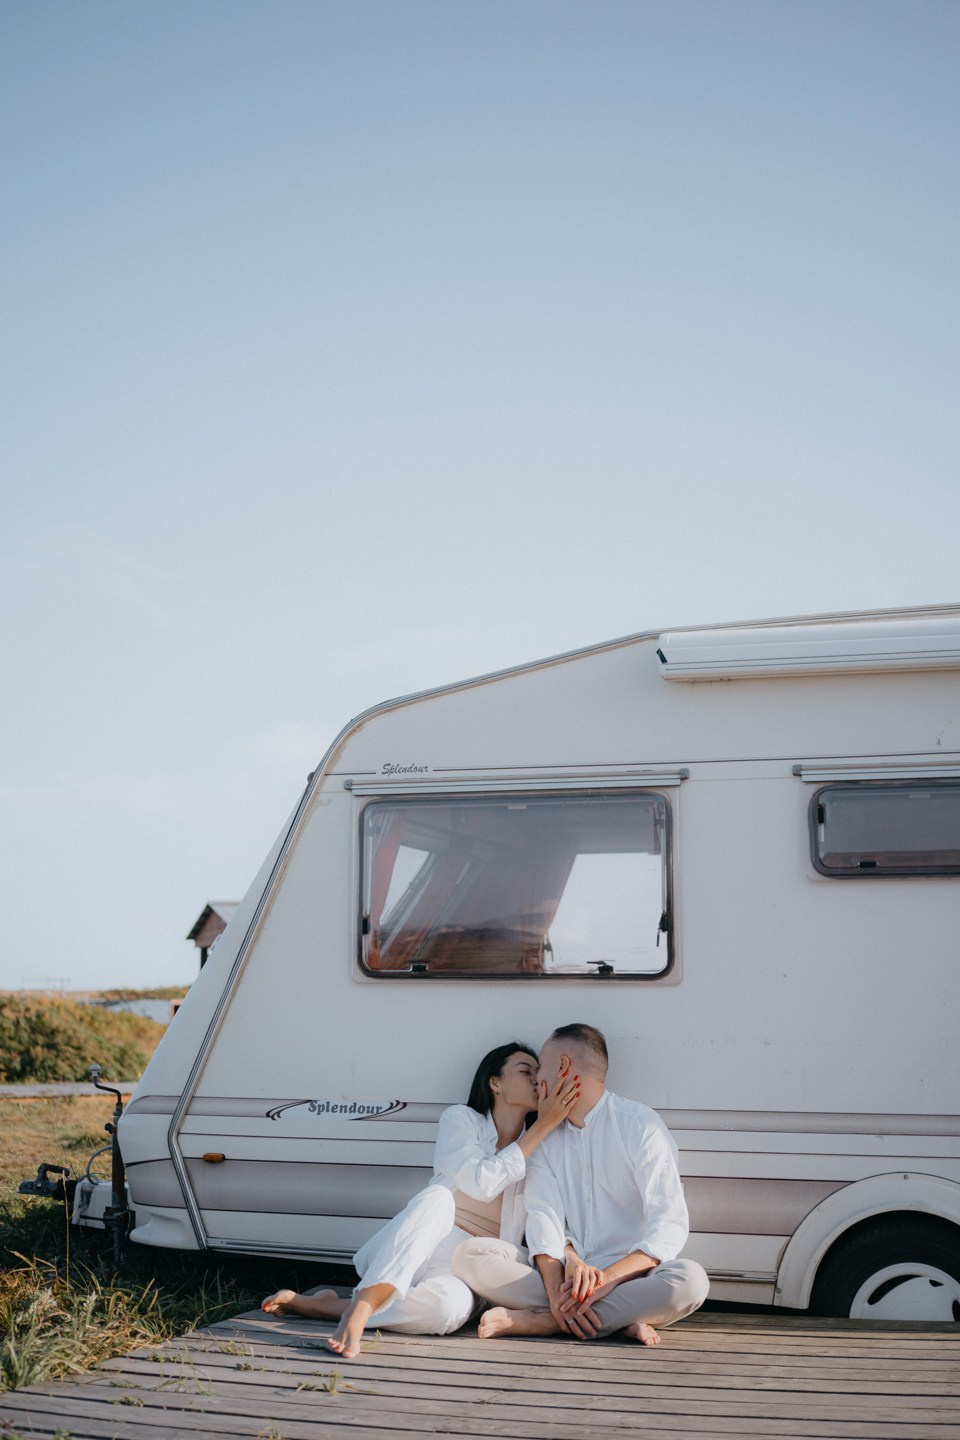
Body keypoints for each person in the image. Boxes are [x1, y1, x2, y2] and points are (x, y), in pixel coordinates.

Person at [261, 1041, 579, 1358]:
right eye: (526, 1071)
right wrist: (545, 1124)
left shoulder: (541, 1149)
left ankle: (330, 1307)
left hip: (472, 1264)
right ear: (494, 1082)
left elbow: (546, 1213)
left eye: (540, 1073)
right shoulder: (461, 1120)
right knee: (438, 1198)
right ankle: (361, 1308)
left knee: (447, 1310)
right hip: (423, 1242)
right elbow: (482, 1183)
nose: (538, 1079)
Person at [451, 1023, 709, 1345]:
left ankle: (549, 1323)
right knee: (469, 1255)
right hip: (565, 1273)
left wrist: (608, 1279)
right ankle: (614, 1320)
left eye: (540, 1068)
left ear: (562, 1067)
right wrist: (568, 1263)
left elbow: (669, 1224)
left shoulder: (641, 1126)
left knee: (690, 1281)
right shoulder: (544, 1138)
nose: (536, 1080)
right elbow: (544, 1216)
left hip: (630, 1277)